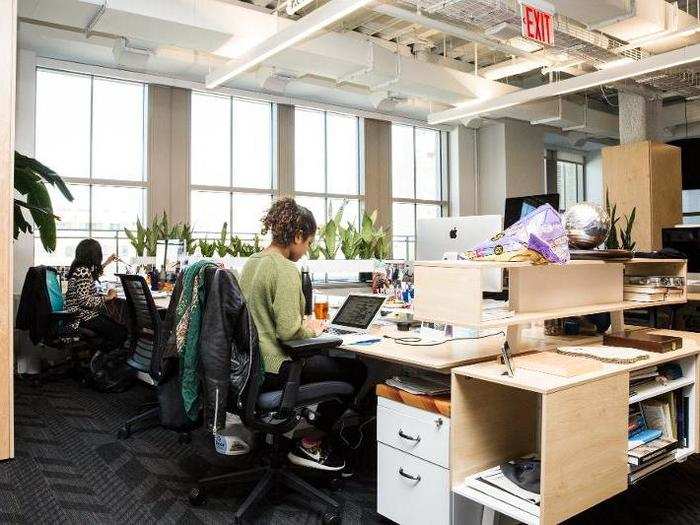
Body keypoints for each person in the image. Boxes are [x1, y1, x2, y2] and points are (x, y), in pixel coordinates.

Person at [239, 197, 367, 473]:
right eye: (308, 242)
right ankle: (311, 441)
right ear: (296, 236)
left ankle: (305, 429)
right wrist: (312, 328)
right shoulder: (285, 269)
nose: (307, 250)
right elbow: (288, 331)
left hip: (248, 365)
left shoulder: (251, 262)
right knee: (356, 370)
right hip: (276, 366)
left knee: (329, 363)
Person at [65, 239, 127, 352]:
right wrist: (108, 297)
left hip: (79, 315)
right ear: (94, 255)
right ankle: (100, 357)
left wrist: (107, 262)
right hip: (82, 317)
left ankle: (101, 355)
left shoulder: (80, 269)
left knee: (115, 324)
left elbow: (92, 277)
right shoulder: (83, 271)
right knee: (121, 332)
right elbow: (84, 300)